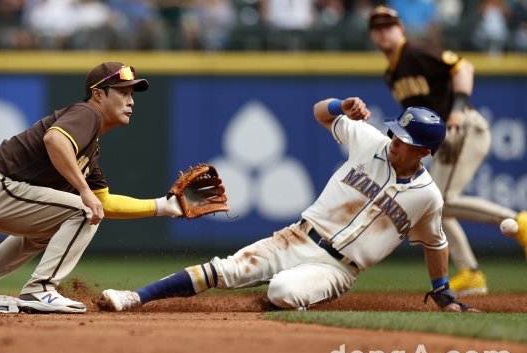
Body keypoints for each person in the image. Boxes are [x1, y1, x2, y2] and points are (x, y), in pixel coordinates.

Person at [102, 97, 476, 313]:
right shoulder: (369, 140)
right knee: (226, 270)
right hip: (297, 236)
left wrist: (442, 290)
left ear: (424, 153)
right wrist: (339, 104)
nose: (394, 142)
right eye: (395, 133)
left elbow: (435, 243)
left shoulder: (428, 196)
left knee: (282, 291)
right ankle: (136, 297)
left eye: (404, 140)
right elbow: (321, 114)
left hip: (338, 269)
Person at [0, 62, 185, 313]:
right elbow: (55, 139)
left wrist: (163, 206)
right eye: (122, 92)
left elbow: (103, 203)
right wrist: (83, 191)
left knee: (62, 221)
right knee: (83, 210)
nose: (131, 101)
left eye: (131, 94)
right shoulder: (87, 113)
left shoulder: (90, 150)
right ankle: (40, 289)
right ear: (98, 94)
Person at [368, 6, 527, 296]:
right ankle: (471, 273)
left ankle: (521, 223)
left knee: (440, 200)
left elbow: (463, 67)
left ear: (400, 28)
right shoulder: (392, 73)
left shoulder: (414, 52)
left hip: (462, 127)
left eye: (388, 25)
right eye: (377, 27)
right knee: (436, 206)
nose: (383, 31)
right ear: (371, 35)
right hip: (444, 138)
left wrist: (455, 113)